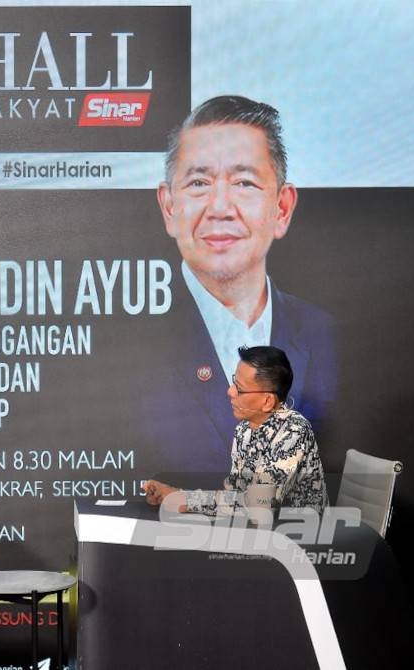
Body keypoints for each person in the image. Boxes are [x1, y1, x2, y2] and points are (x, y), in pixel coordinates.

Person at [144, 95, 336, 476]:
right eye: (199, 182)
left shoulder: (329, 336)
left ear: (281, 208)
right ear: (169, 208)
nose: (220, 207)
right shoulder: (124, 343)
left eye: (244, 183)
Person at [144, 345, 328, 515]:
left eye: (239, 389)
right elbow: (233, 495)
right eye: (234, 382)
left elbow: (258, 506)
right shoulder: (244, 430)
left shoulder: (294, 432)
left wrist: (185, 500)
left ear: (267, 401)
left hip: (302, 536)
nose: (230, 392)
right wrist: (176, 495)